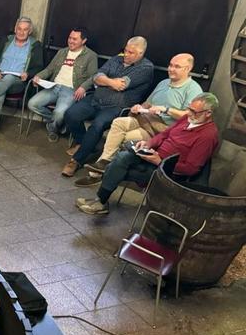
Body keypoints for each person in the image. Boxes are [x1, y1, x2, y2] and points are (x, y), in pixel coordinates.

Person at [76, 93, 219, 215]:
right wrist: (148, 144)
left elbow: (191, 169)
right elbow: (164, 134)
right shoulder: (187, 119)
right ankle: (101, 200)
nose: (190, 113)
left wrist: (159, 161)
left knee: (116, 168)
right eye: (189, 109)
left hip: (167, 171)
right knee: (123, 156)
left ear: (208, 113)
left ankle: (101, 201)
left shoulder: (207, 136)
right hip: (154, 156)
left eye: (195, 112)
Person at [77, 53, 203, 186]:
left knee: (126, 137)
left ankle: (101, 174)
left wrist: (166, 110)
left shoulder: (193, 90)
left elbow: (190, 117)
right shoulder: (164, 83)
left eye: (177, 66)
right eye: (170, 65)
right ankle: (103, 165)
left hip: (163, 131)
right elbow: (147, 104)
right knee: (118, 122)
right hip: (146, 121)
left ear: (188, 69)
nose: (171, 69)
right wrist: (138, 107)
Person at [62, 36, 154, 177]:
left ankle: (76, 161)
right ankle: (84, 143)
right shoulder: (116, 59)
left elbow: (122, 84)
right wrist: (111, 82)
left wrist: (104, 80)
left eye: (131, 53)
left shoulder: (146, 68)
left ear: (141, 54)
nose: (126, 55)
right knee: (71, 114)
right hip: (96, 99)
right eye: (126, 51)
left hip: (117, 107)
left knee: (98, 125)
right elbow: (96, 77)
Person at [0, 17, 44, 144]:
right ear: (15, 29)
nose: (21, 32)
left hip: (17, 81)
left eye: (25, 30)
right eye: (19, 29)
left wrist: (28, 74)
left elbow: (39, 66)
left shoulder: (35, 45)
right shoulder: (6, 41)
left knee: (9, 78)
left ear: (30, 31)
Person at [27, 28, 98, 142]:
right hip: (54, 86)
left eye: (75, 39)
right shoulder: (62, 52)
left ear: (83, 41)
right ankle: (59, 122)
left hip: (71, 90)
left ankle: (53, 128)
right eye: (70, 38)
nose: (71, 41)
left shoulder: (90, 56)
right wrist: (39, 76)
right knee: (32, 104)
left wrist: (83, 87)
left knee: (60, 112)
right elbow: (49, 69)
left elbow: (93, 76)